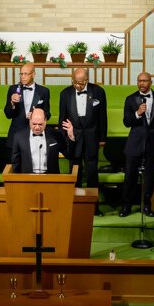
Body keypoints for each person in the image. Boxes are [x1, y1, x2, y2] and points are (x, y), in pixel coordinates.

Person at [58, 68, 107, 215]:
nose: (77, 86)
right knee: (75, 171)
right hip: (74, 137)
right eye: (75, 82)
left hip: (92, 137)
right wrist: (64, 139)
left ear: (87, 80)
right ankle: (75, 206)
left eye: (80, 83)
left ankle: (94, 207)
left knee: (92, 172)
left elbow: (102, 117)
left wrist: (102, 138)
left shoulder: (98, 91)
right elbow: (62, 118)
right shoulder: (65, 93)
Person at [119, 72, 154, 218]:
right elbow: (127, 121)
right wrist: (137, 113)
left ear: (151, 82)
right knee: (130, 177)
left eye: (145, 81)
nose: (142, 83)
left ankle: (146, 206)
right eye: (140, 80)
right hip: (134, 144)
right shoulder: (130, 99)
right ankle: (126, 206)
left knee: (149, 177)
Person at [11, 108, 74, 174]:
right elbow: (15, 162)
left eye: (40, 124)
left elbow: (69, 155)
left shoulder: (55, 135)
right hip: (27, 179)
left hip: (50, 179)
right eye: (34, 124)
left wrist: (71, 137)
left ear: (45, 121)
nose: (37, 127)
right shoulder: (19, 136)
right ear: (30, 120)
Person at [4, 62, 51, 149]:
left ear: (33, 74)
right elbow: (8, 114)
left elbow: (48, 114)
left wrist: (37, 114)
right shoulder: (13, 89)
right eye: (21, 74)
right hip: (16, 133)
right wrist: (12, 103)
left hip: (36, 133)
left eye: (26, 74)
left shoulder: (44, 91)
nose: (23, 76)